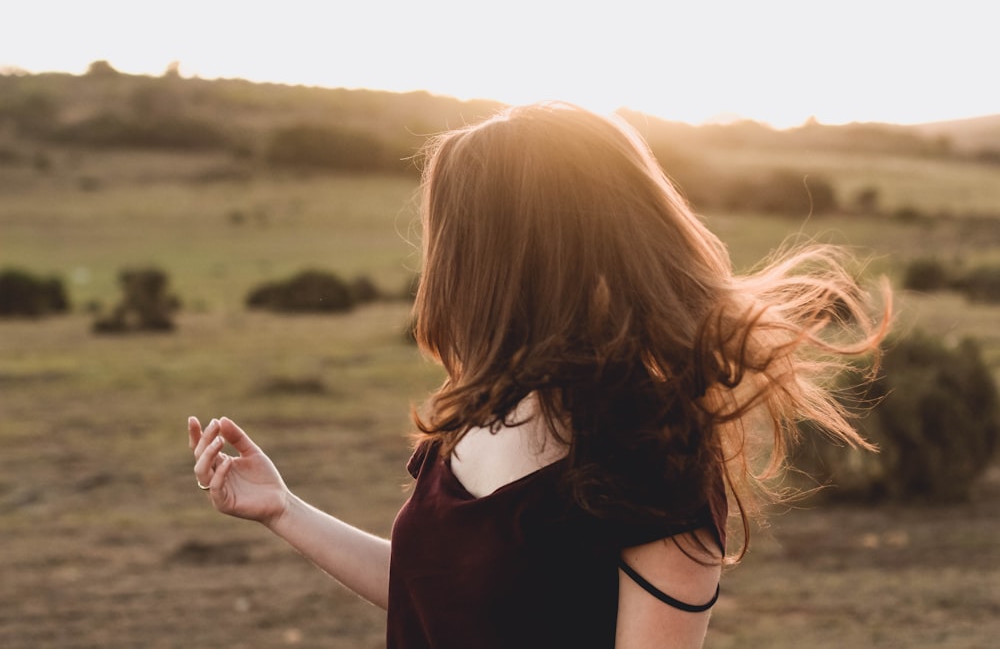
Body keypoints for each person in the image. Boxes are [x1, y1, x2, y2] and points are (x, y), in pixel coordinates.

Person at [188, 102, 888, 648]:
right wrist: (284, 509)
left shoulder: (653, 459)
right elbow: (434, 590)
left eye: (455, 241)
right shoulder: (480, 406)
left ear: (508, 259)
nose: (439, 268)